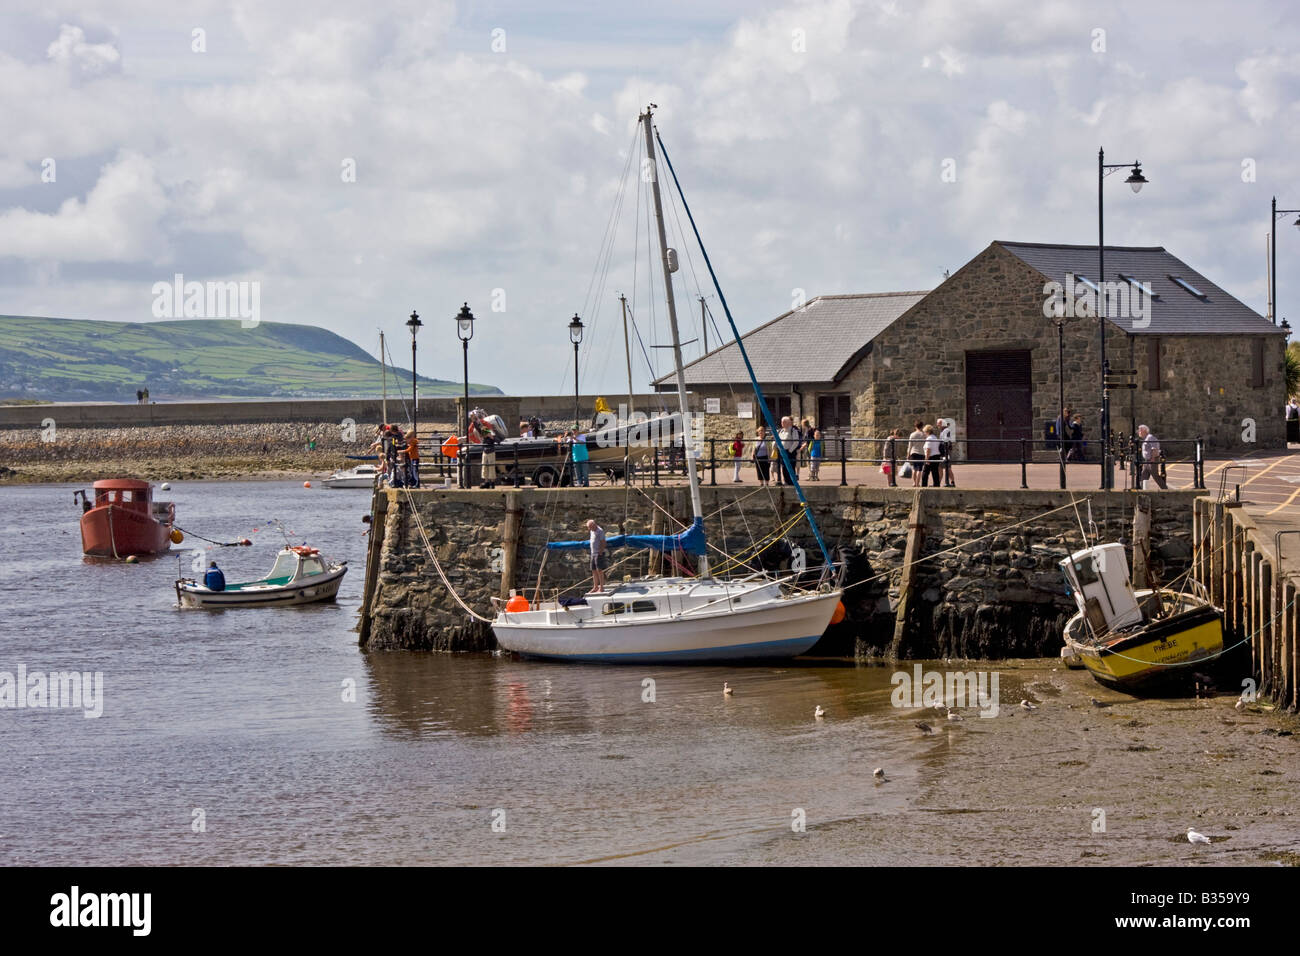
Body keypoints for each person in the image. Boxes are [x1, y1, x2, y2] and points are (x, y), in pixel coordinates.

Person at [1137, 424, 1167, 489]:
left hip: (1152, 460)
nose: (1139, 432)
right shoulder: (1146, 438)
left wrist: (1152, 458)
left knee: (1155, 475)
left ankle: (1165, 489)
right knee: (1144, 475)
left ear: (1144, 431)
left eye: (1140, 431)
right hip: (1147, 460)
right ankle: (1141, 489)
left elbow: (1154, 448)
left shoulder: (1150, 437)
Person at [776, 415, 801, 485]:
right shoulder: (781, 431)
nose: (782, 423)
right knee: (784, 467)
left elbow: (796, 442)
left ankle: (791, 482)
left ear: (788, 423)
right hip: (782, 451)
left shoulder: (793, 431)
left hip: (790, 452)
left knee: (790, 466)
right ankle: (786, 481)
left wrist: (790, 450)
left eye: (784, 422)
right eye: (782, 422)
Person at [586, 519, 608, 592]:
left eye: (590, 527)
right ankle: (595, 587)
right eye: (588, 527)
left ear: (594, 525)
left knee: (599, 570)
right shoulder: (592, 531)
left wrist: (600, 552)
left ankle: (601, 587)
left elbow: (603, 542)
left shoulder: (600, 531)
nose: (589, 529)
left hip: (598, 553)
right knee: (593, 570)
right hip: (593, 553)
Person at [935, 417, 956, 487]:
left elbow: (946, 441)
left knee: (948, 468)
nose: (937, 426)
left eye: (938, 424)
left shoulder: (946, 430)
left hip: (945, 452)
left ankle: (952, 482)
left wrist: (946, 451)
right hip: (942, 452)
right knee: (940, 468)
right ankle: (938, 483)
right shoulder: (943, 431)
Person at [907, 420, 926, 487]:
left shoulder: (912, 434)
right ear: (922, 426)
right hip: (921, 453)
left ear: (915, 426)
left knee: (914, 468)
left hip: (913, 452)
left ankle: (914, 483)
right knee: (919, 469)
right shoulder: (924, 434)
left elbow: (910, 445)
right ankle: (918, 483)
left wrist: (908, 454)